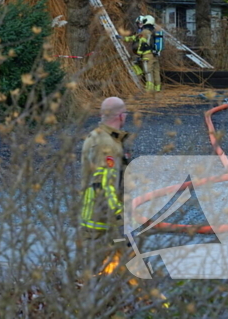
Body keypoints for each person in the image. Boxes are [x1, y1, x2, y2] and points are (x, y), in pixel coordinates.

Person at [80, 96, 130, 271]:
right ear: (121, 116)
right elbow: (105, 186)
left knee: (99, 272)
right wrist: (120, 219)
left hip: (94, 219)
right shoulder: (107, 145)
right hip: (103, 223)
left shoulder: (97, 137)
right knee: (113, 271)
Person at [126, 15, 162, 92]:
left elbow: (136, 39)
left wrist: (123, 38)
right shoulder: (154, 31)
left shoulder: (145, 32)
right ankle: (157, 88)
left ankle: (149, 89)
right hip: (155, 55)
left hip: (147, 55)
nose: (141, 24)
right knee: (156, 72)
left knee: (148, 72)